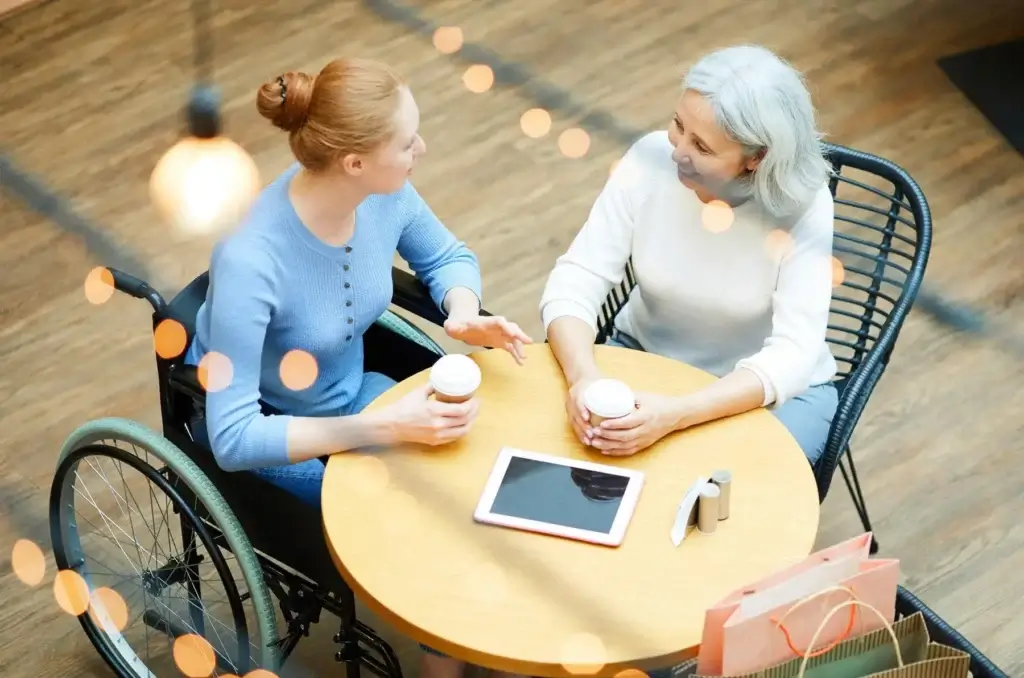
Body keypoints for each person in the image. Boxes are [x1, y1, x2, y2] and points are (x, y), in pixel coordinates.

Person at [184, 57, 531, 678]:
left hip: (358, 396)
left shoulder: (385, 192)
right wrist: (384, 429)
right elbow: (234, 438)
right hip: (275, 430)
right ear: (354, 162)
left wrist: (461, 312)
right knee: (419, 527)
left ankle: (481, 634)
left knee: (475, 480)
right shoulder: (251, 259)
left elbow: (447, 255)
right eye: (407, 142)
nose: (420, 148)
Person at [540, 44, 839, 465]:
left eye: (702, 146)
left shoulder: (805, 206)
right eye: (678, 125)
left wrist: (677, 414)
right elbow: (577, 278)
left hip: (768, 393)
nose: (678, 151)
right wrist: (583, 377)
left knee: (730, 497)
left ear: (757, 158)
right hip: (643, 355)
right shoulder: (650, 159)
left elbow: (792, 355)